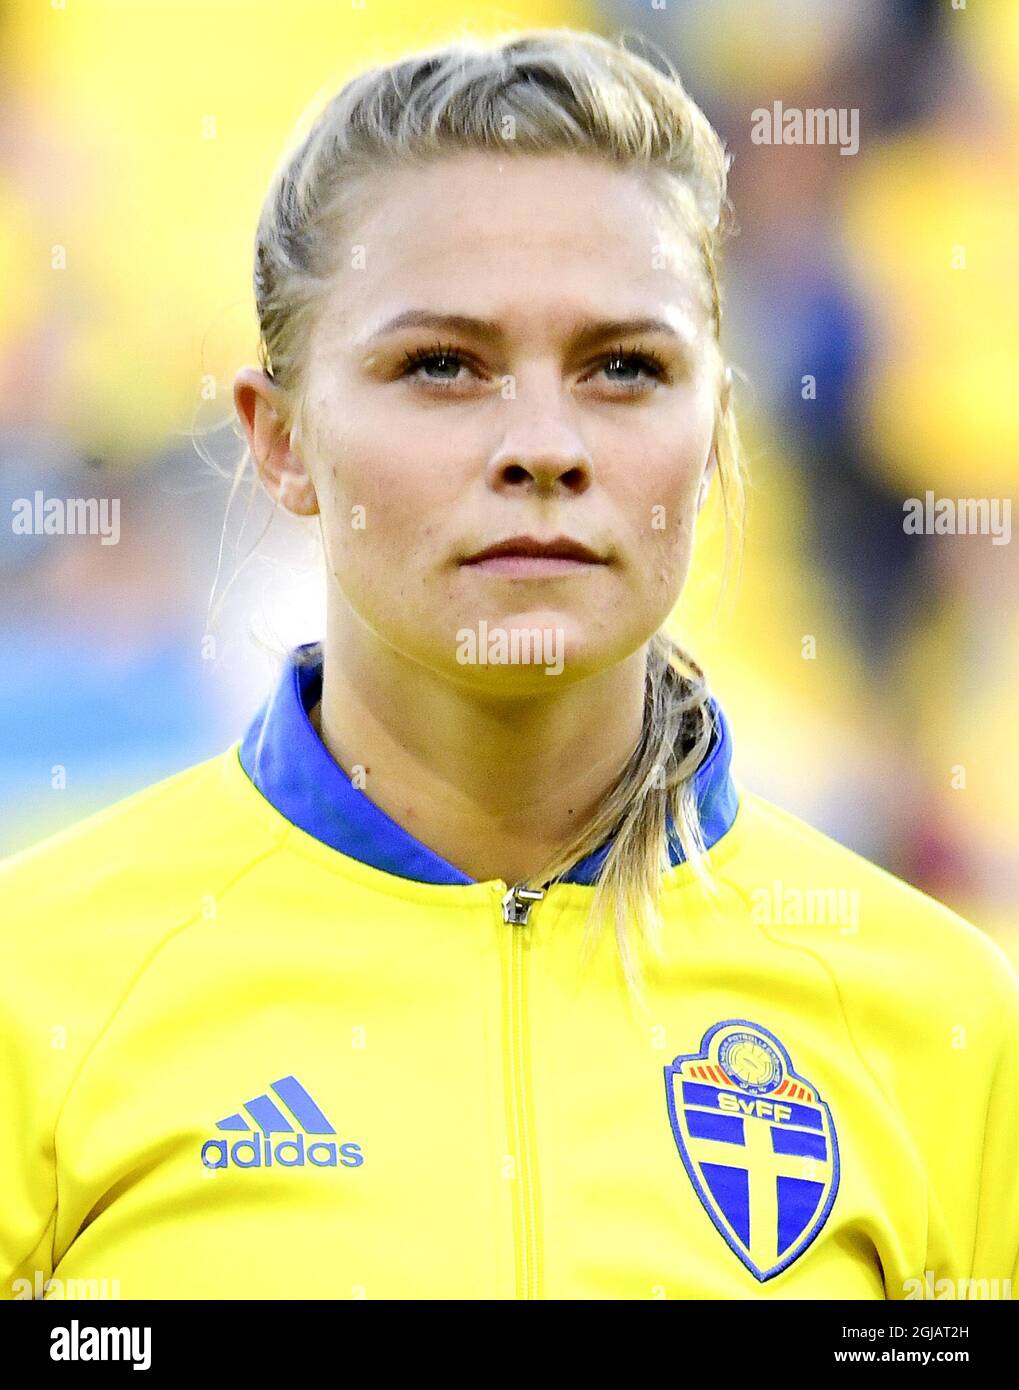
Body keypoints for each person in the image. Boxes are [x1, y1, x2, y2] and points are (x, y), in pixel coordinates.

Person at [2, 28, 1016, 1302]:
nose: (544, 444)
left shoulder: (944, 1017)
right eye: (441, 365)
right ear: (281, 443)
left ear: (712, 435)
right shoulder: (34, 989)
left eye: (624, 368)